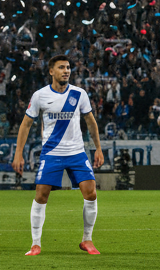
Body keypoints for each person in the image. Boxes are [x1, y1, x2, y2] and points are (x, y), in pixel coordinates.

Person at [13, 55, 105, 256]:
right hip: (52, 153)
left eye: (68, 67)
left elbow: (90, 122)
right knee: (41, 195)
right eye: (61, 67)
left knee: (91, 193)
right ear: (51, 71)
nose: (66, 71)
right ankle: (35, 244)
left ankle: (87, 240)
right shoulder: (40, 96)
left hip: (77, 152)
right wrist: (18, 153)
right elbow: (26, 124)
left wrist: (98, 148)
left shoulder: (79, 94)